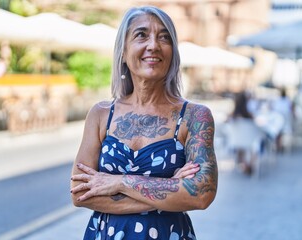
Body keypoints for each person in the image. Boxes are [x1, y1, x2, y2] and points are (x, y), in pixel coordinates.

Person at [70, 6, 218, 240]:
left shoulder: (195, 116)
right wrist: (169, 187)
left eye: (164, 37)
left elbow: (201, 194)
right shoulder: (100, 114)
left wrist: (119, 182)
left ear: (173, 52)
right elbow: (81, 194)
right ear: (123, 51)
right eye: (141, 35)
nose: (153, 45)